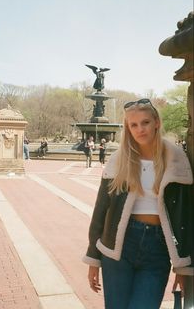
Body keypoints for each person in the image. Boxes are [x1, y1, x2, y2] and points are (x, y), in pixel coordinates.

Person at [83, 98, 193, 309]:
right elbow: (101, 210)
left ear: (156, 123)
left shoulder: (176, 159)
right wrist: (93, 259)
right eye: (133, 125)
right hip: (118, 247)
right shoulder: (119, 159)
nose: (140, 129)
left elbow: (186, 216)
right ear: (128, 128)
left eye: (145, 122)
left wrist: (184, 267)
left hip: (158, 247)